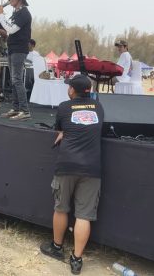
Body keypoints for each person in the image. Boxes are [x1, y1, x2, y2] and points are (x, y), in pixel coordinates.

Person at [39, 74, 104, 275]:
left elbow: (61, 128)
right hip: (92, 168)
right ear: (89, 90)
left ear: (72, 90)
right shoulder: (98, 107)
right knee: (84, 216)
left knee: (61, 209)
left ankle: (57, 248)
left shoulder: (64, 107)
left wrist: (64, 133)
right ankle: (76, 259)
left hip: (67, 165)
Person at [0, 0, 32, 121]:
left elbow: (11, 29)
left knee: (17, 79)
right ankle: (16, 108)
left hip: (19, 49)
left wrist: (0, 14)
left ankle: (25, 111)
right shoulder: (16, 12)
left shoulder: (24, 14)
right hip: (12, 48)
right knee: (13, 79)